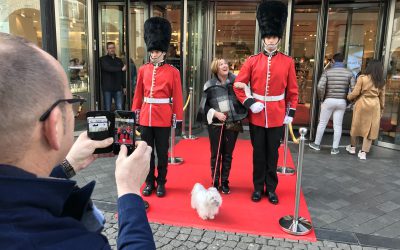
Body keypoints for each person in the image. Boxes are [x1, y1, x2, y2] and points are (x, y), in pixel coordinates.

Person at [0, 32, 155, 249]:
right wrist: (129, 190)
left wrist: (67, 166)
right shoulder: (75, 243)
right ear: (54, 126)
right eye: (72, 103)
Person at [233, 1, 298, 205]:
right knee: (258, 154)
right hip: (257, 116)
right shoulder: (252, 61)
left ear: (279, 39)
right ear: (263, 38)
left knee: (273, 154)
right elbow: (238, 84)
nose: (270, 41)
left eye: (274, 37)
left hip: (277, 115)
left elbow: (293, 90)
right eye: (268, 37)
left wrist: (291, 112)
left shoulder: (288, 62)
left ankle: (271, 189)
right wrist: (250, 102)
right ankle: (257, 187)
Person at [132, 17, 183, 198]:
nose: (154, 54)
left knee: (162, 154)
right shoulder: (143, 70)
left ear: (164, 52)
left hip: (163, 117)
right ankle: (149, 182)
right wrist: (135, 114)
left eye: (157, 51)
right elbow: (138, 94)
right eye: (152, 51)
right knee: (146, 153)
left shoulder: (173, 72)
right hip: (146, 116)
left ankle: (161, 182)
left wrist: (178, 118)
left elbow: (177, 96)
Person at [197, 58, 247, 194]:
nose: (225, 65)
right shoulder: (209, 84)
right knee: (216, 153)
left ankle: (224, 181)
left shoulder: (237, 82)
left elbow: (246, 98)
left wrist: (246, 89)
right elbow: (203, 107)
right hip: (216, 123)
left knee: (228, 154)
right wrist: (215, 113)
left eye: (226, 63)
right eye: (221, 64)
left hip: (234, 122)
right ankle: (214, 181)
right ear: (216, 69)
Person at [309, 53, 355, 154]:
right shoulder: (349, 73)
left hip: (329, 100)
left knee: (322, 123)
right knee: (338, 125)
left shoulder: (327, 72)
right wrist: (349, 101)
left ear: (333, 61)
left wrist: (322, 98)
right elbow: (353, 89)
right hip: (342, 101)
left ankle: (316, 144)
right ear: (343, 61)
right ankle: (335, 148)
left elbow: (320, 87)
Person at [346, 59, 386, 160]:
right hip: (375, 104)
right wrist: (382, 108)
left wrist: (348, 97)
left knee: (356, 125)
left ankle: (353, 147)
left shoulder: (362, 78)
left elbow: (355, 93)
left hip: (362, 103)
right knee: (370, 129)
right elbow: (382, 97)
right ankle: (363, 153)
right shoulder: (381, 81)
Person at [100, 42, 127, 111]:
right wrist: (120, 69)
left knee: (119, 108)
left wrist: (124, 86)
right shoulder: (103, 59)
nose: (112, 49)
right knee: (107, 108)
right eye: (110, 48)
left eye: (113, 48)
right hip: (107, 89)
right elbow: (108, 68)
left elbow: (122, 74)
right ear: (107, 49)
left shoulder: (119, 60)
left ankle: (119, 122)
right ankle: (108, 121)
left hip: (117, 88)